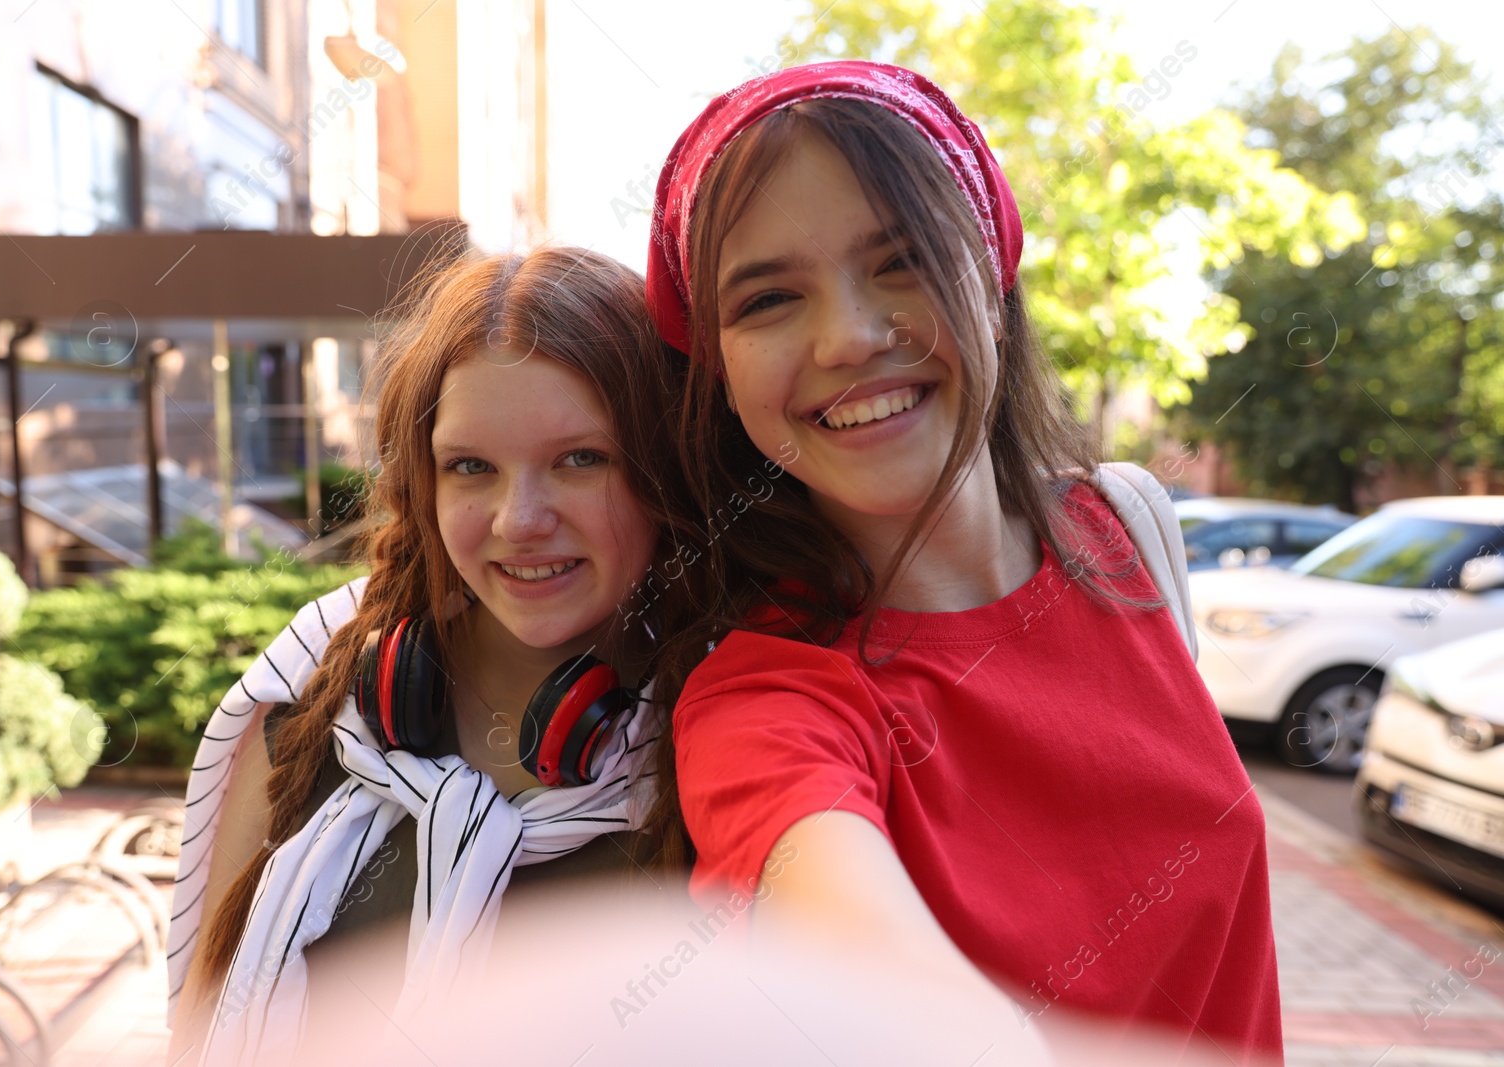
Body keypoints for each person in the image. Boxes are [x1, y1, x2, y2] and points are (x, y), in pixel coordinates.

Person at [644, 62, 1283, 1060]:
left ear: (991, 274)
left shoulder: (1127, 526)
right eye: (768, 298)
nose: (849, 336)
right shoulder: (765, 704)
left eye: (899, 260)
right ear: (719, 373)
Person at [166, 247, 697, 1064]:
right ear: (426, 482)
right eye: (471, 466)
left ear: (664, 468)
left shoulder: (727, 733)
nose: (520, 519)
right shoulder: (312, 690)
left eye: (580, 458)